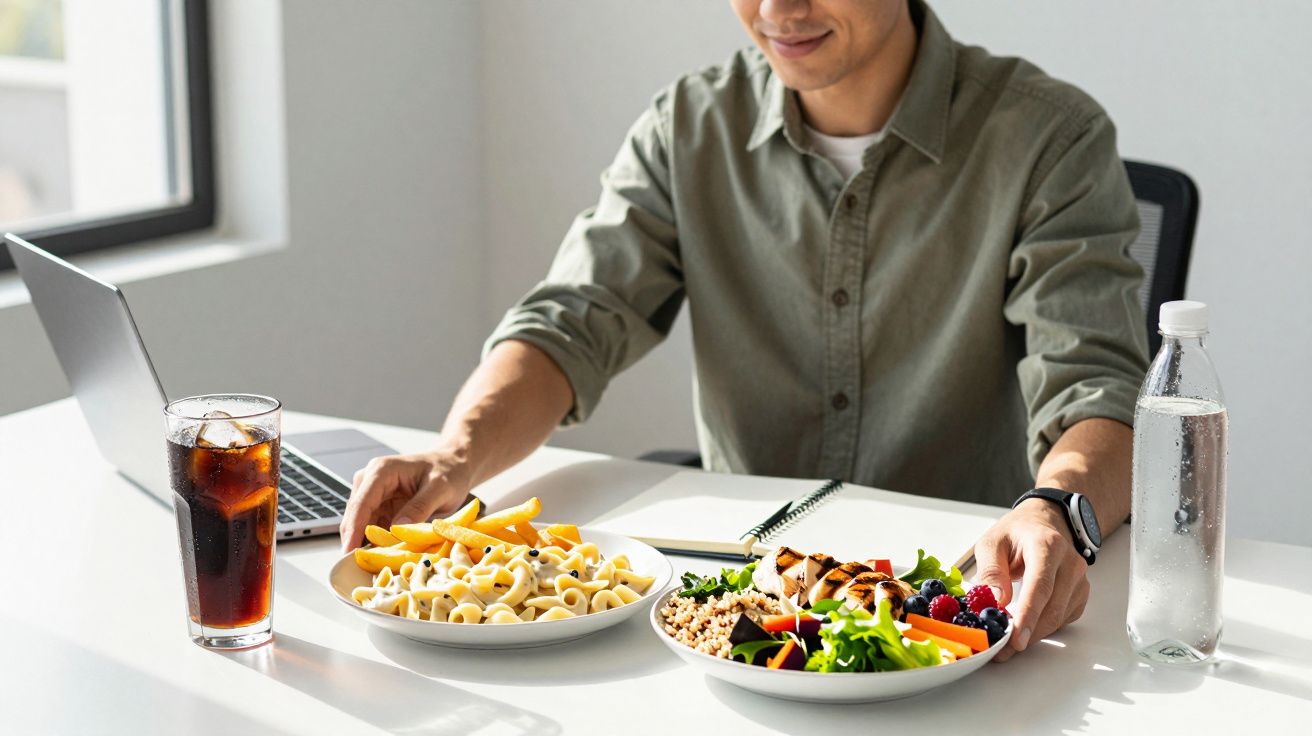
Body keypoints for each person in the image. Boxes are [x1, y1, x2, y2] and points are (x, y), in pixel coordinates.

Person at [342, 0, 1147, 662]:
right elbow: (570, 323)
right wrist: (453, 456)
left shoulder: (1050, 138)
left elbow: (1099, 391)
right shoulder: (688, 127)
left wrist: (1058, 509)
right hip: (739, 611)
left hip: (962, 614)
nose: (776, 11)